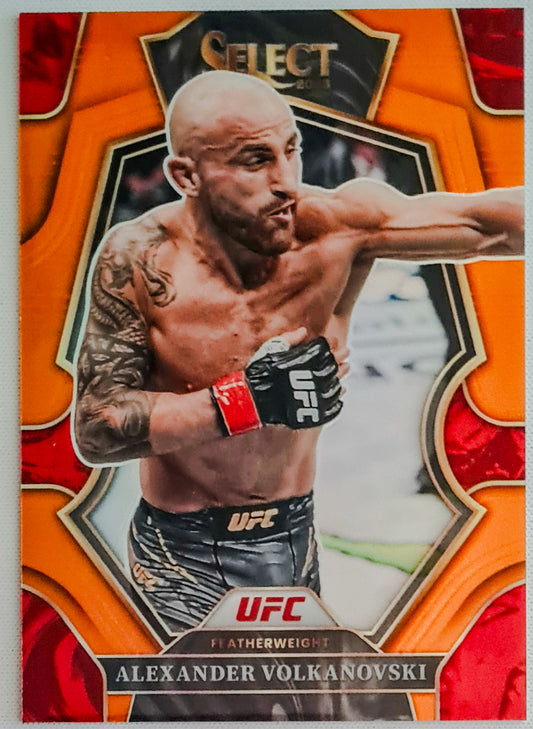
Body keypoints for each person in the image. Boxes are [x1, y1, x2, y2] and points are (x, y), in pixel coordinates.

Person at [73, 70, 523, 634]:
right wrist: (249, 400)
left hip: (293, 535)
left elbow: (488, 226)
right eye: (255, 160)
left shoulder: (336, 230)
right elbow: (97, 427)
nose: (286, 181)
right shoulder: (139, 260)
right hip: (181, 552)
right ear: (187, 175)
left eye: (291, 150)